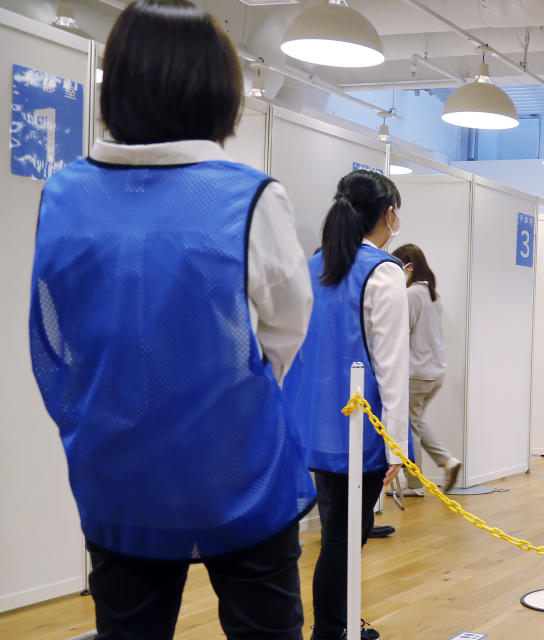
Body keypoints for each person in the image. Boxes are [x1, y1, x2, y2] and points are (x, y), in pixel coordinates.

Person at [28, 2, 315, 638]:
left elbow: (57, 332)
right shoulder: (250, 197)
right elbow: (286, 328)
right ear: (220, 91)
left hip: (117, 476)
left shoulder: (62, 194)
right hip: (241, 474)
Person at [283, 170, 409, 640]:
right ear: (388, 215)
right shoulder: (384, 272)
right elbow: (391, 366)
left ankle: (338, 621)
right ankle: (332, 629)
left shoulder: (315, 264)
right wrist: (397, 444)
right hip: (360, 429)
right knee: (342, 537)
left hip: (315, 423)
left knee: (336, 533)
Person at [391, 243, 462, 495]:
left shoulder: (411, 295)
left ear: (408, 267)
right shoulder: (433, 294)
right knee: (416, 423)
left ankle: (415, 484)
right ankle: (446, 461)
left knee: (410, 429)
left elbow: (400, 330)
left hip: (415, 372)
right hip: (435, 372)